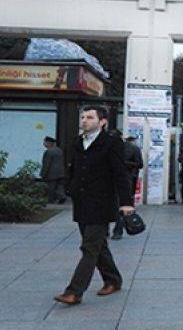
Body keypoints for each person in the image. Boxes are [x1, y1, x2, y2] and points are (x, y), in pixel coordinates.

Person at [54, 106, 133, 306]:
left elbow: (120, 173)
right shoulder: (78, 141)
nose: (84, 121)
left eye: (90, 117)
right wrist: (69, 188)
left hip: (101, 203)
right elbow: (72, 168)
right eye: (82, 117)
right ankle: (113, 280)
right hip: (81, 203)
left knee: (89, 247)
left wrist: (126, 202)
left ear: (102, 122)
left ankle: (74, 292)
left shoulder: (112, 143)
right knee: (98, 246)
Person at [112, 135, 143, 240]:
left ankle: (116, 229)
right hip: (126, 180)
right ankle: (117, 230)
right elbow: (139, 164)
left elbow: (139, 164)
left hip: (123, 180)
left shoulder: (131, 149)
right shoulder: (133, 148)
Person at [41, 136, 66, 204]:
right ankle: (62, 196)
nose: (44, 143)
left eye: (45, 142)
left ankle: (50, 201)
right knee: (59, 186)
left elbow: (46, 164)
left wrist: (43, 174)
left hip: (51, 173)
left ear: (49, 143)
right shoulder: (59, 150)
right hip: (61, 172)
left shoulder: (48, 152)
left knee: (51, 187)